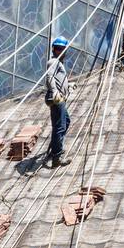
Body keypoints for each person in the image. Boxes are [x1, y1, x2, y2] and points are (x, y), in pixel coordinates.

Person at [45, 36, 72, 168]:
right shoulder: (53, 62)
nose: (59, 51)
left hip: (59, 97)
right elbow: (49, 77)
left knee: (65, 122)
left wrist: (69, 85)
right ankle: (57, 157)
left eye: (61, 49)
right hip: (57, 99)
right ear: (54, 49)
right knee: (60, 126)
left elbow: (57, 78)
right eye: (57, 49)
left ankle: (55, 147)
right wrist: (55, 91)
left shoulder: (58, 63)